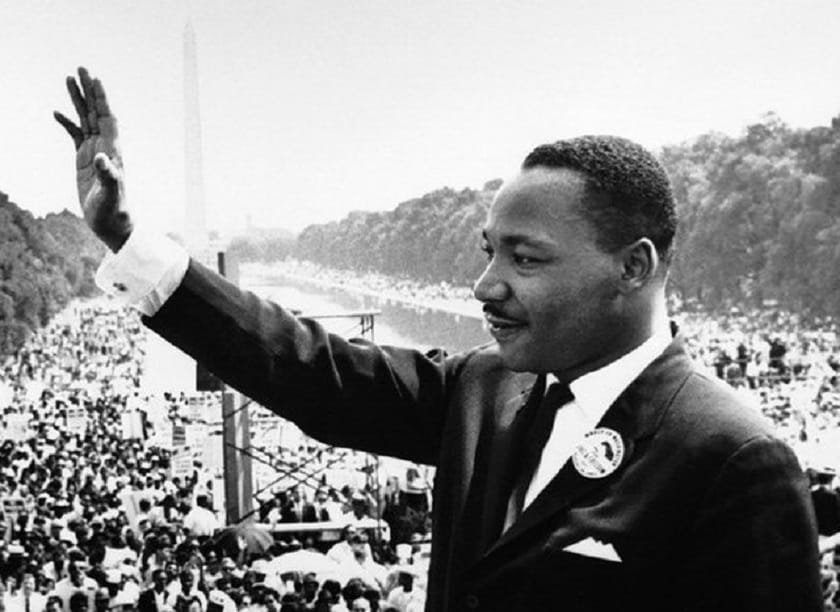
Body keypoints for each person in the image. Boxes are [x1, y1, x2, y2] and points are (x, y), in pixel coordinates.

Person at [55, 67, 822, 611]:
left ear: (633, 267)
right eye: (487, 250)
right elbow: (308, 372)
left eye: (524, 258)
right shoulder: (485, 387)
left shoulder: (734, 459)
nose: (486, 285)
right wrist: (127, 239)